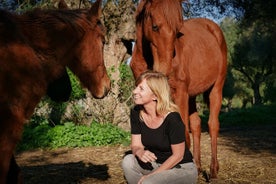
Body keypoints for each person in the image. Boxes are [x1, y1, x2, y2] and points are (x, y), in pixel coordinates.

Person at [122, 70, 198, 184]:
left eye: (141, 89)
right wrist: (140, 152)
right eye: (136, 87)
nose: (134, 91)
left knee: (149, 182)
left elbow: (178, 156)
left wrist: (151, 176)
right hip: (156, 164)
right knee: (128, 161)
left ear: (155, 95)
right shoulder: (136, 112)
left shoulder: (172, 119)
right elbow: (136, 145)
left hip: (181, 168)